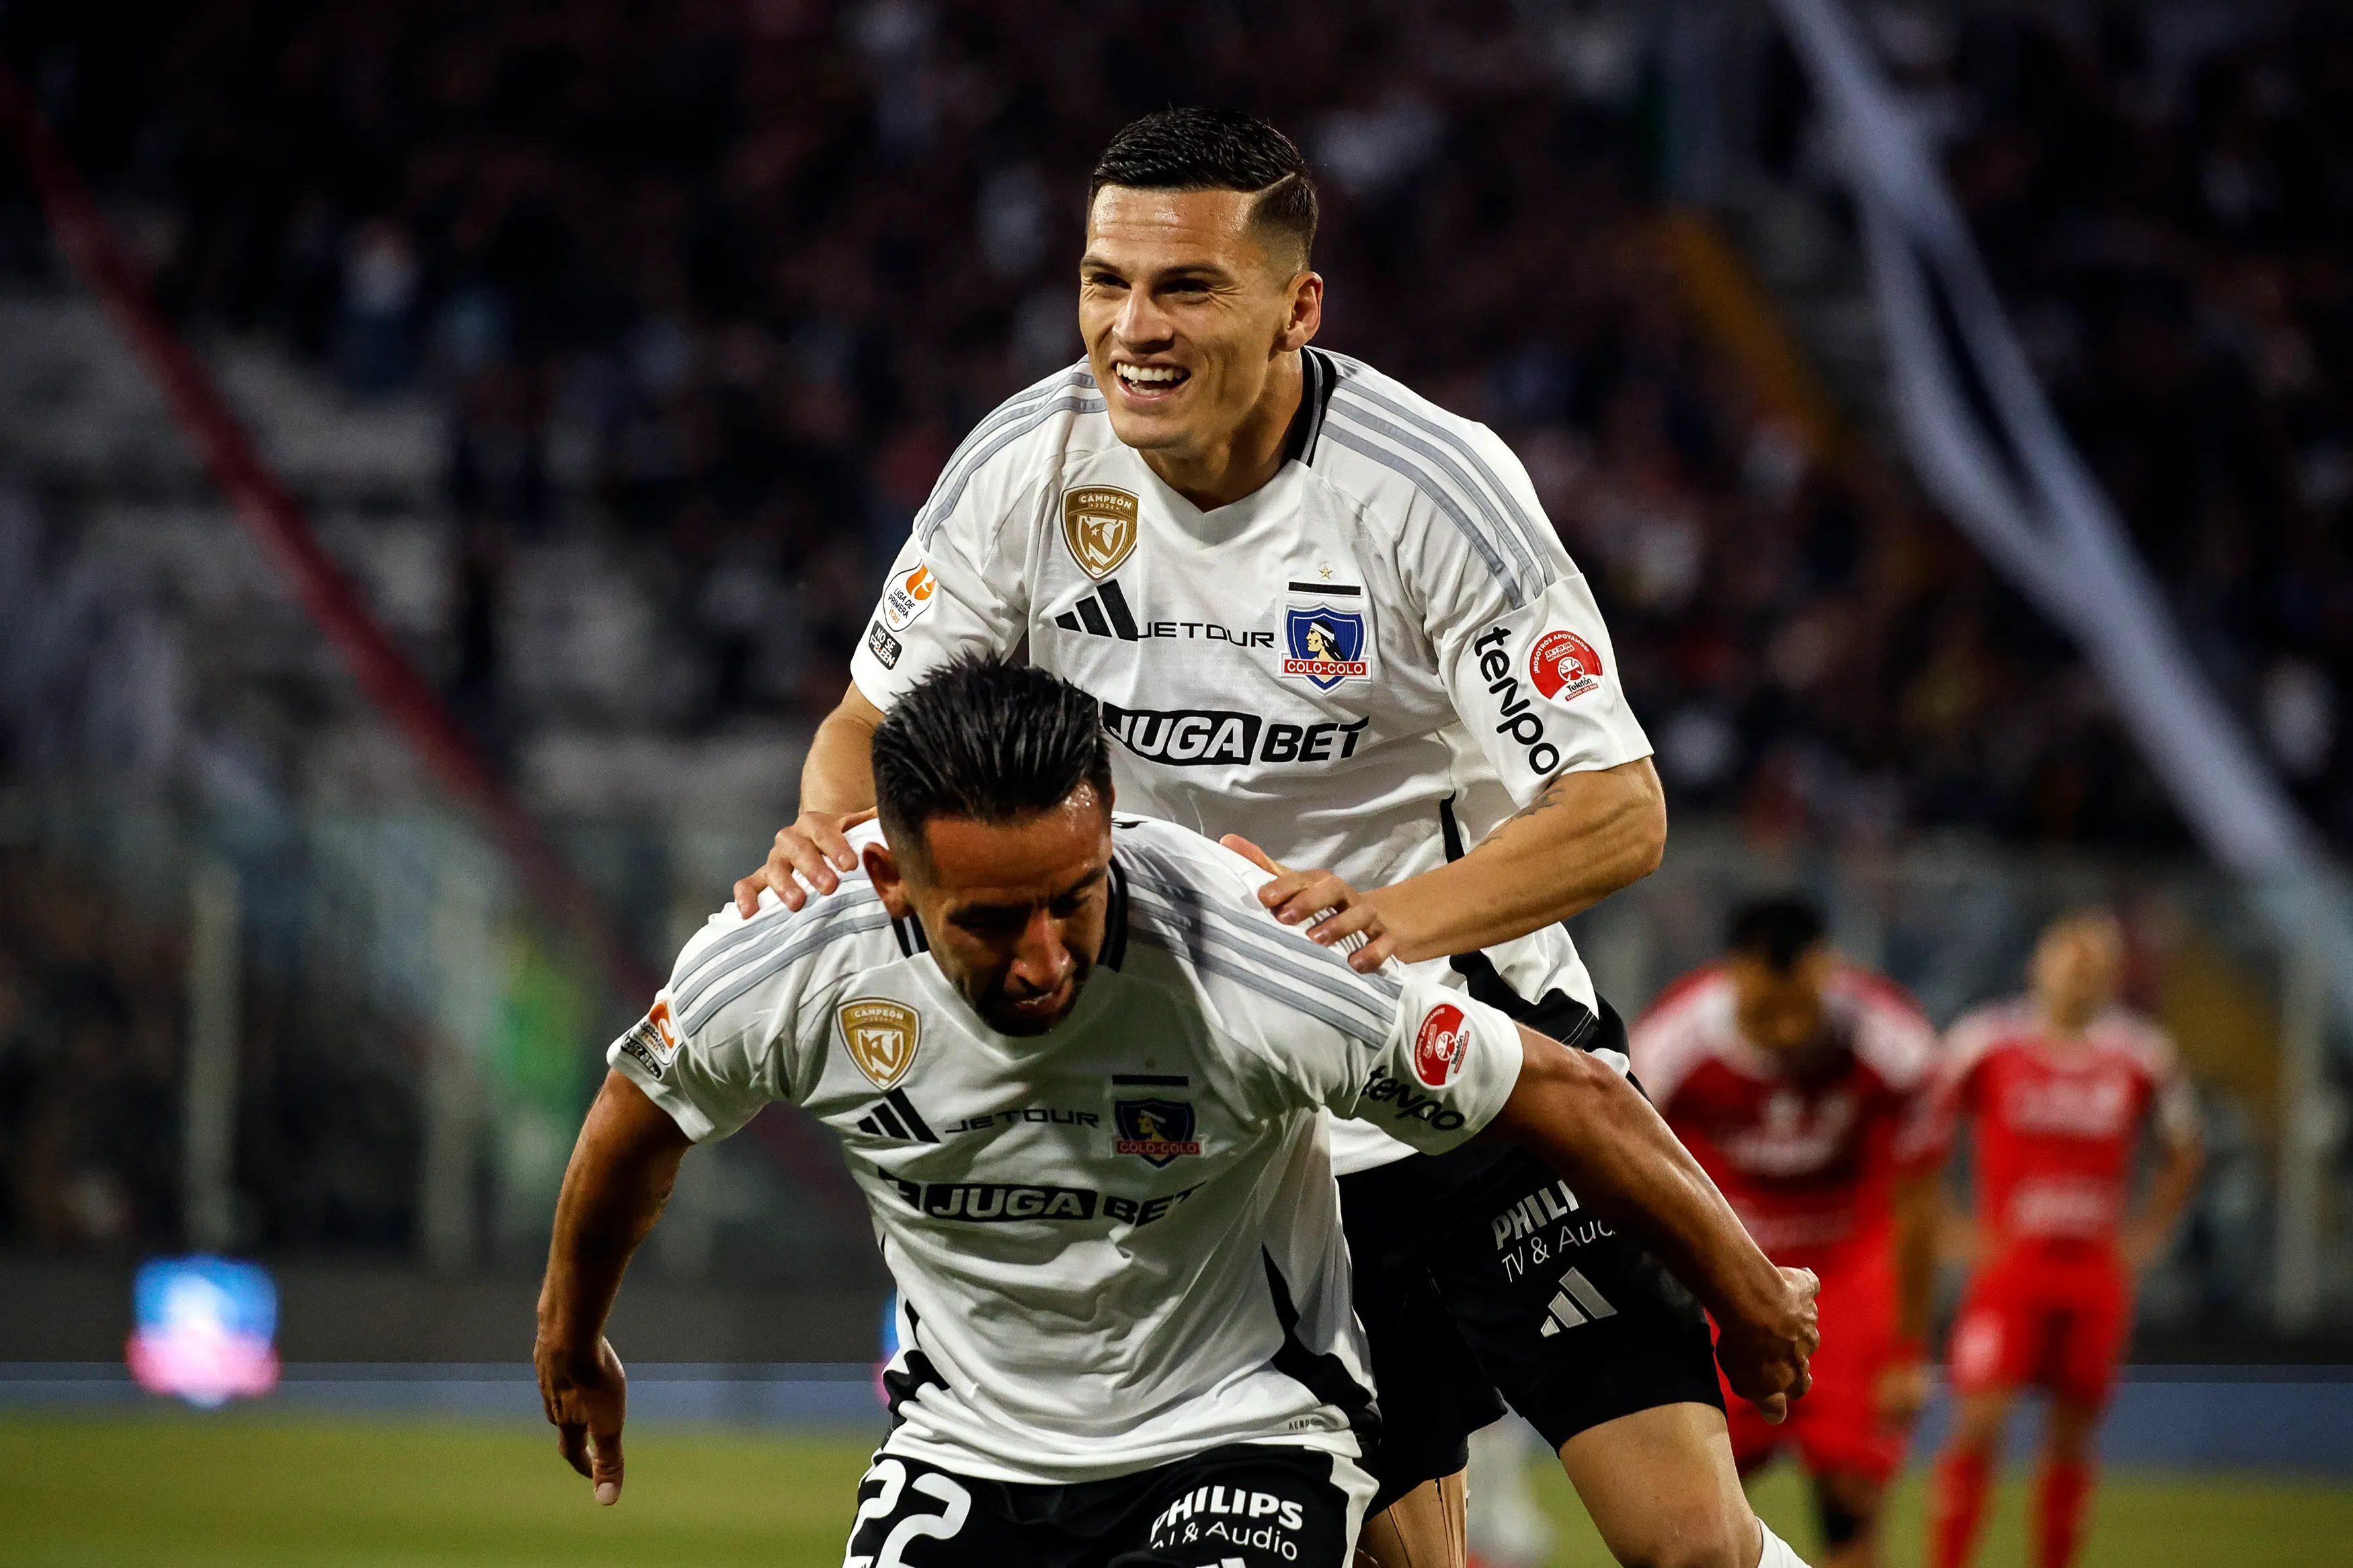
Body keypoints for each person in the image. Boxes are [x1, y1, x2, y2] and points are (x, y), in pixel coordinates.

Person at [736, 108, 1814, 1568]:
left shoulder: (1427, 487)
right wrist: (818, 832)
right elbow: (867, 725)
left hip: (1479, 1069)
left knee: (1689, 1542)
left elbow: (1616, 809)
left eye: (1186, 286)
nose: (1133, 326)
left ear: (1296, 305)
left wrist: (1388, 925)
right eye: (1106, 281)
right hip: (1245, 1124)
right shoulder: (1022, 470)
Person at [534, 660, 1819, 1568]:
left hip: (1240, 1438)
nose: (1042, 958)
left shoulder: (1245, 951)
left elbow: (1562, 1087)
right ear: (891, 878)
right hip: (968, 1452)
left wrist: (1745, 1290)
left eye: (1073, 900)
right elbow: (635, 1124)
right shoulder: (785, 954)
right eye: (991, 921)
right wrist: (572, 1335)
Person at [1628, 897, 1942, 1568]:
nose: (1787, 1029)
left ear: (1827, 970)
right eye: (1767, 1012)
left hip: (1847, 1275)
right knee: (1690, 1517)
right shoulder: (1667, 1046)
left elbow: (1916, 1200)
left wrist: (1909, 1347)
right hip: (1724, 1271)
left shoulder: (1894, 1044)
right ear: (1733, 975)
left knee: (1850, 1503)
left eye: (1801, 1007)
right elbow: (1632, 1179)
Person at [1918, 910, 2204, 1568]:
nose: (2081, 976)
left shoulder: (2140, 1053)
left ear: (2112, 977)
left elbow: (2184, 1147)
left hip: (2092, 1272)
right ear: (2036, 966)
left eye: (2096, 964)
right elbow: (1920, 1129)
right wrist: (1949, 1225)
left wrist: (2147, 1231)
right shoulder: (1985, 1041)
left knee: (2072, 1437)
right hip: (2009, 1268)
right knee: (1978, 1423)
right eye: (2069, 961)